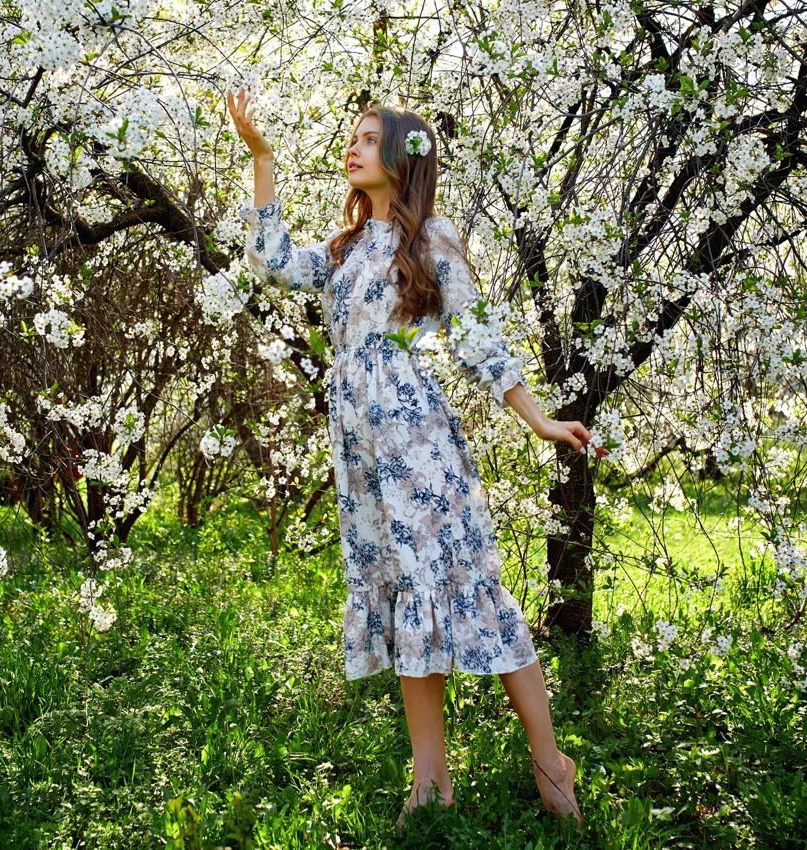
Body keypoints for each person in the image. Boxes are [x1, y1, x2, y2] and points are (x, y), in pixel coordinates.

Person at [226, 89, 602, 829]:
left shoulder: (431, 237)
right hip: (362, 455)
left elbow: (475, 337)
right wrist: (262, 158)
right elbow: (270, 262)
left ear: (401, 158)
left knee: (474, 599)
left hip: (418, 444)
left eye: (370, 139)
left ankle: (551, 766)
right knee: (406, 603)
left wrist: (539, 420)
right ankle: (430, 781)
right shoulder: (340, 250)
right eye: (353, 137)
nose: (354, 147)